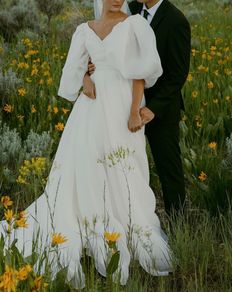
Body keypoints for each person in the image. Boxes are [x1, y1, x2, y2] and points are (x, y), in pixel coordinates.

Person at [0, 0, 172, 289]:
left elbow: (140, 72)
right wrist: (84, 77)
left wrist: (134, 111)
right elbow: (73, 70)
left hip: (121, 105)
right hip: (90, 108)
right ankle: (83, 219)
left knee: (123, 165)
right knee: (85, 164)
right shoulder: (84, 29)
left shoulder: (134, 25)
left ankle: (124, 220)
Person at [84, 0, 191, 216]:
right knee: (126, 163)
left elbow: (177, 74)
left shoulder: (176, 20)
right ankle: (123, 214)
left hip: (158, 109)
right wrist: (90, 70)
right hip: (122, 104)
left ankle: (178, 222)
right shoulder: (127, 8)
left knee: (167, 165)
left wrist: (152, 108)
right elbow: (105, 46)